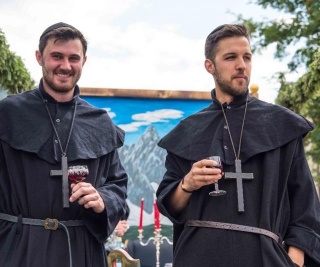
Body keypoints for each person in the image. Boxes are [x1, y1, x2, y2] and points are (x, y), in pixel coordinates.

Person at [156, 24, 320, 267]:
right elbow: (170, 205)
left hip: (266, 258)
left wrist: (294, 258)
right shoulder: (188, 132)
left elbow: (305, 202)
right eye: (230, 57)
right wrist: (187, 184)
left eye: (247, 57)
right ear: (209, 66)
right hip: (199, 257)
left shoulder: (282, 125)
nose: (241, 64)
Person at [0, 22, 129, 267]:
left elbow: (118, 186)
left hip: (81, 251)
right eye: (56, 56)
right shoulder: (7, 113)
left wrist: (102, 200)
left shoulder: (100, 122)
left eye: (73, 58)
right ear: (39, 57)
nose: (65, 66)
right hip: (19, 248)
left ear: (84, 61)